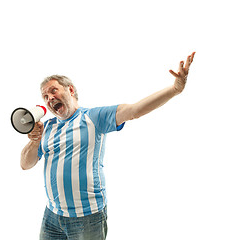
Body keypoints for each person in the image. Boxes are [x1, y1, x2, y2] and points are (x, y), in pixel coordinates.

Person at [20, 52, 196, 240]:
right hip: (52, 216)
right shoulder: (46, 128)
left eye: (53, 90)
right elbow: (25, 164)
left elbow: (134, 110)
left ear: (70, 90)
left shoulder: (93, 117)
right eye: (45, 96)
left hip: (87, 218)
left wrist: (174, 89)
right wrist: (34, 139)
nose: (49, 98)